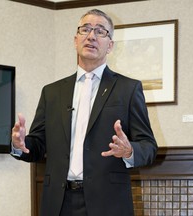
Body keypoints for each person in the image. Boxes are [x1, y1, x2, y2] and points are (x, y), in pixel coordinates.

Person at [11, 9, 158, 216]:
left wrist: (129, 151)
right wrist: (21, 145)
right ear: (75, 40)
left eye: (100, 31)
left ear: (110, 45)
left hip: (108, 203)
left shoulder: (128, 89)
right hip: (58, 202)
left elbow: (149, 146)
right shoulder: (52, 92)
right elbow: (38, 145)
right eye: (85, 29)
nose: (91, 36)